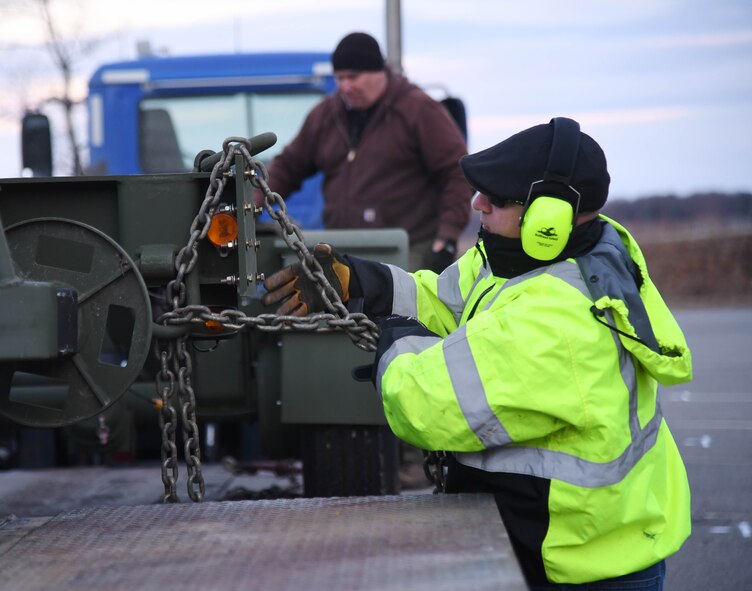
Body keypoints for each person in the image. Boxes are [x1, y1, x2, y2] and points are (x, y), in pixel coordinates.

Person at [261, 117, 692, 590]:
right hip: (555, 539)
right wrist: (364, 282)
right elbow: (449, 300)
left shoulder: (557, 321)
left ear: (548, 218)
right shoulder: (526, 259)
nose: (476, 203)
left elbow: (425, 403)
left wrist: (396, 341)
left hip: (582, 563)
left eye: (496, 197)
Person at [256, 32, 472, 273]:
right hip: (343, 250)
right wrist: (250, 207)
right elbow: (288, 166)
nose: (346, 86)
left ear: (378, 72)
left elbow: (457, 172)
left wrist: (447, 238)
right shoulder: (326, 116)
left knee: (401, 308)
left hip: (407, 250)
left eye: (354, 77)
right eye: (340, 78)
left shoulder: (418, 110)